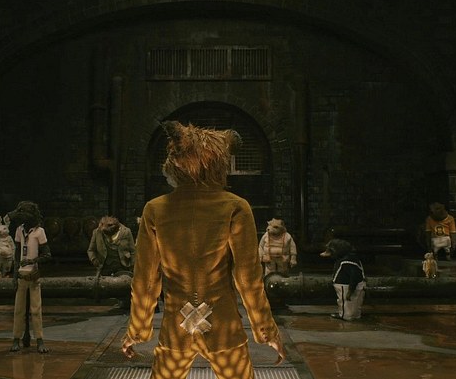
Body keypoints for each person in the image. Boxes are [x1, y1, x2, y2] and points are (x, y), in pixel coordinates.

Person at [122, 121, 286, 379]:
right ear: (219, 164)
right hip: (224, 328)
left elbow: (146, 279)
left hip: (176, 329)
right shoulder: (235, 207)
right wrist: (267, 331)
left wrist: (137, 330)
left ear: (176, 163)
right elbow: (248, 280)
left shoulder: (155, 209)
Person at [9, 201, 51, 354]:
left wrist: (32, 261)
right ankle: (16, 338)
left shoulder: (39, 232)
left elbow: (47, 255)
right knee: (18, 310)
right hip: (21, 275)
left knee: (36, 309)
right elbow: (17, 254)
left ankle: (39, 339)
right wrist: (14, 275)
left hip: (33, 276)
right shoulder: (19, 230)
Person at [320, 237, 366, 321]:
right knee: (353, 303)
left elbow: (354, 277)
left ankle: (346, 316)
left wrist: (350, 290)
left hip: (346, 286)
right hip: (349, 285)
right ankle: (354, 315)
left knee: (346, 302)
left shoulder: (347, 262)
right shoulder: (351, 259)